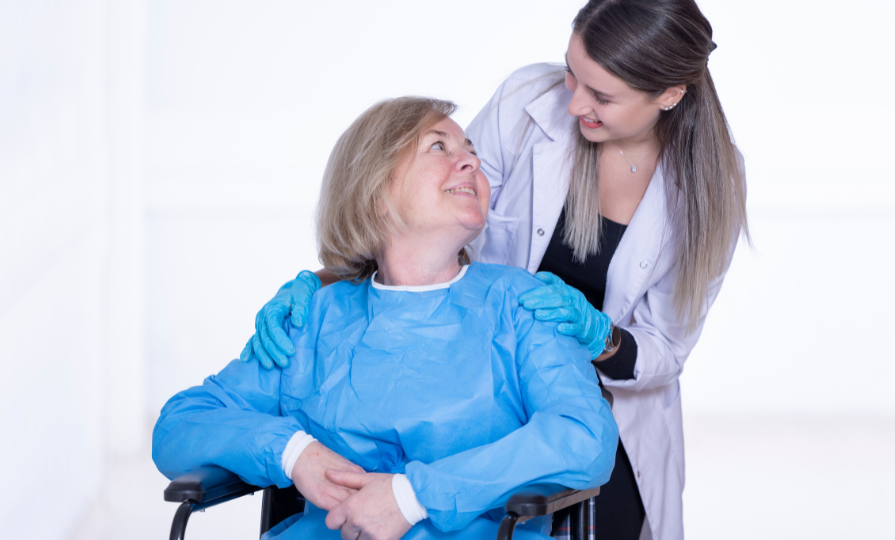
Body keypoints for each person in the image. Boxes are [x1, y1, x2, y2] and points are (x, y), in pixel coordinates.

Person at [240, 1, 747, 538]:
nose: (574, 104)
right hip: (481, 382)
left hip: (598, 408)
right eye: (573, 74)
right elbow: (429, 216)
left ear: (669, 95)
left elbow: (666, 348)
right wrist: (322, 283)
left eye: (601, 96)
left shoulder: (709, 187)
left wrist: (600, 336)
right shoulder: (528, 101)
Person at [153, 97, 618, 540]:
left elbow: (583, 435)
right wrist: (292, 453)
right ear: (375, 192)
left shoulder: (521, 305)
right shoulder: (313, 319)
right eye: (440, 146)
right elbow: (178, 427)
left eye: (472, 153)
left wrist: (413, 496)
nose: (471, 163)